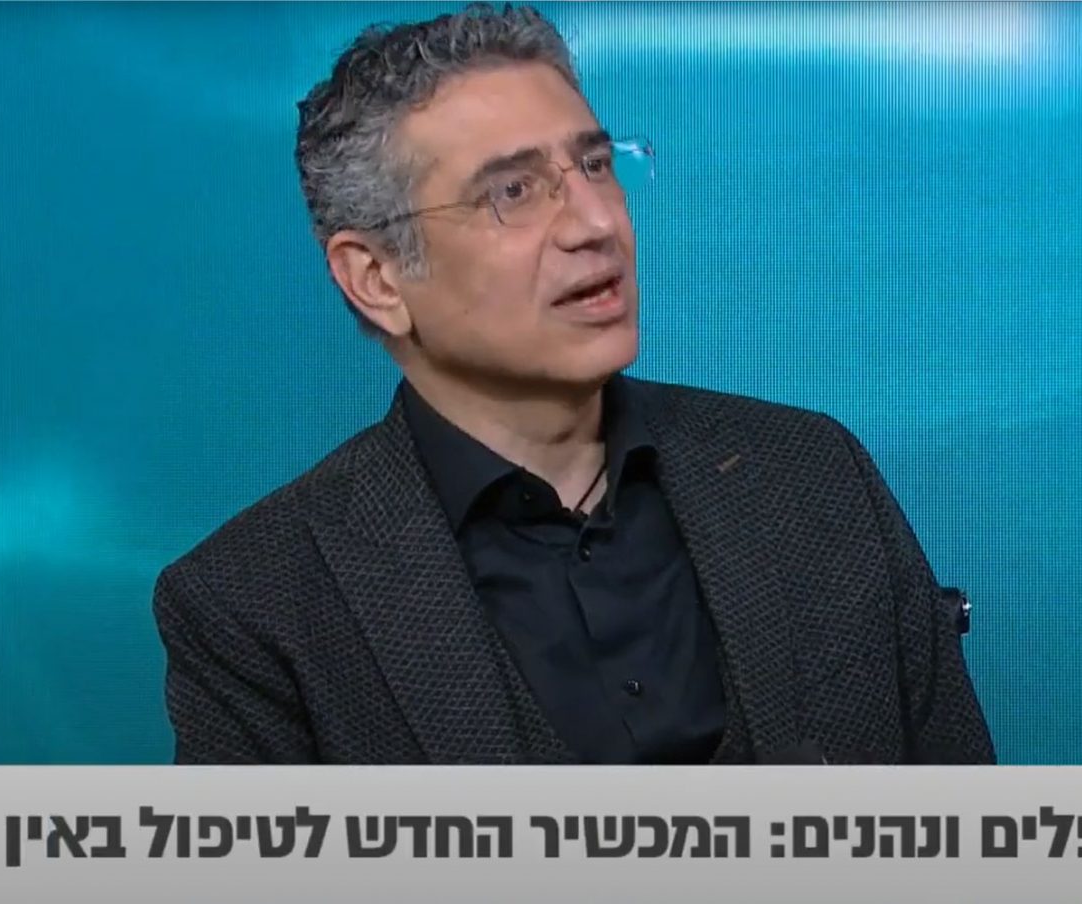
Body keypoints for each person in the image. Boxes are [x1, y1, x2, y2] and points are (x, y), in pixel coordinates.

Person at [152, 2, 995, 765]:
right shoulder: (254, 606)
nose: (595, 223)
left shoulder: (811, 473)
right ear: (376, 277)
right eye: (513, 191)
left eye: (596, 165)